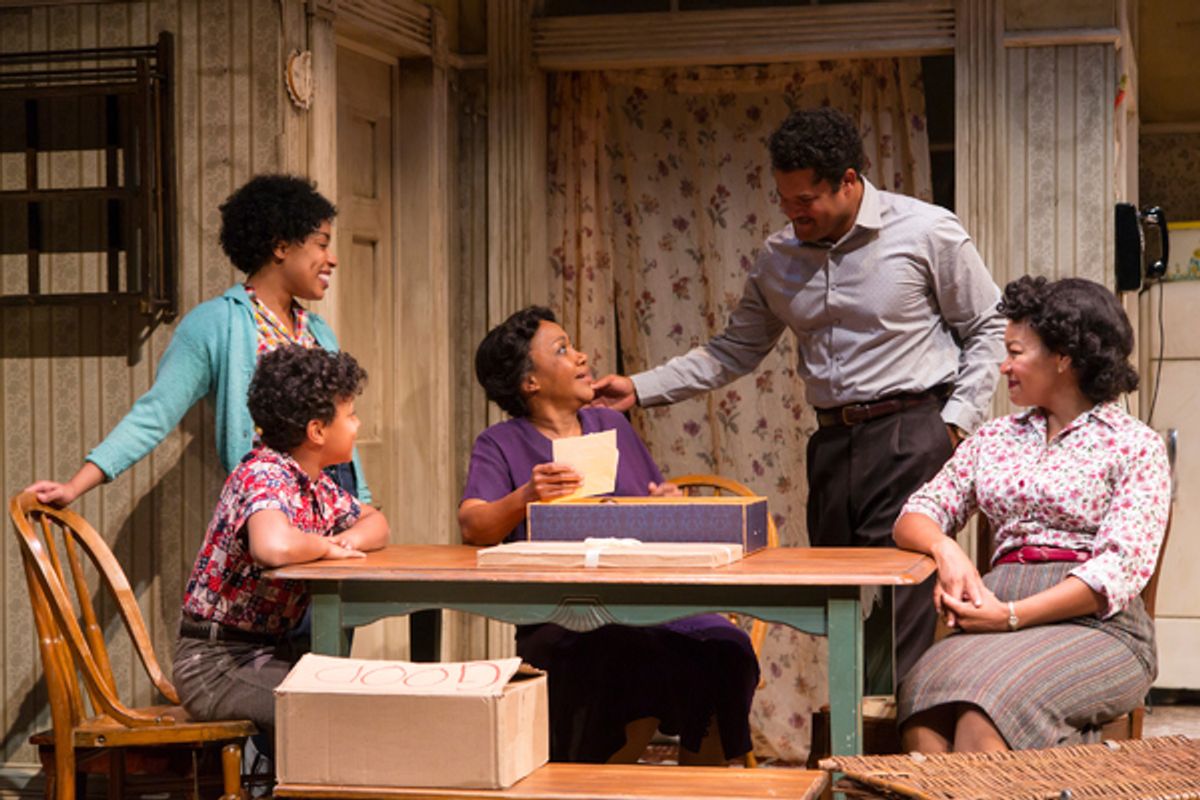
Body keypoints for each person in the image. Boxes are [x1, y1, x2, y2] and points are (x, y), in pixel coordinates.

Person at [591, 107, 1005, 678]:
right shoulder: (777, 257)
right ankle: (853, 733)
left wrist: (955, 422)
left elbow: (987, 325)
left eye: (806, 200)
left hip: (912, 430)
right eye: (785, 200)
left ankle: (893, 751)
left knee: (903, 604)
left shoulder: (927, 231)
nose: (793, 213)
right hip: (834, 445)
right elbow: (731, 350)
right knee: (838, 603)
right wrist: (638, 388)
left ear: (850, 182)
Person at [460, 306, 760, 765]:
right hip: (561, 614)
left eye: (574, 346)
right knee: (616, 651)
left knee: (726, 646)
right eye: (562, 350)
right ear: (530, 382)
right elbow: (473, 525)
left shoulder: (612, 425)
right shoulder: (501, 442)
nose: (581, 357)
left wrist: (666, 505)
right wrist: (525, 495)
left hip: (649, 604)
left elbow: (646, 509)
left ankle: (704, 784)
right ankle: (598, 779)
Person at [894, 276, 1170, 753]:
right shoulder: (995, 439)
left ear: (1063, 357)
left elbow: (1114, 573)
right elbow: (915, 514)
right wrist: (946, 550)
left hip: (1098, 626)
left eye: (1016, 352)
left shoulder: (1133, 445)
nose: (1004, 366)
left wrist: (1012, 616)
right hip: (994, 610)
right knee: (923, 697)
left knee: (989, 708)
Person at [23, 173, 371, 505]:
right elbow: (154, 414)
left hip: (336, 497)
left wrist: (363, 502)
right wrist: (73, 486)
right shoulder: (216, 323)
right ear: (281, 247)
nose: (332, 259)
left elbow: (342, 425)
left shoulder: (317, 329)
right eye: (321, 245)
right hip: (272, 501)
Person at [172, 346, 389, 750]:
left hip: (267, 653)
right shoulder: (264, 474)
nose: (358, 425)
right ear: (317, 431)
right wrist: (325, 547)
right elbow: (271, 546)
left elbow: (376, 523)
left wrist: (347, 541)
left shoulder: (317, 485)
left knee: (366, 697)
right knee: (336, 712)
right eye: (351, 414)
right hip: (216, 662)